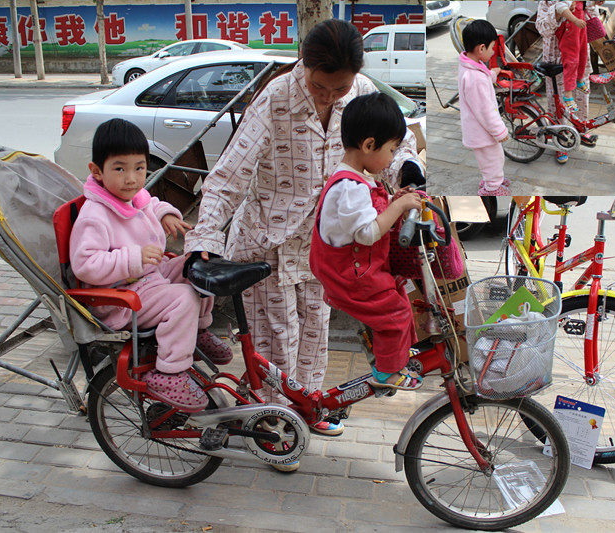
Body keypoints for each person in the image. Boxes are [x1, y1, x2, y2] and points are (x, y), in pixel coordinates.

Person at [184, 19, 423, 469]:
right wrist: (203, 239)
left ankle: (311, 409)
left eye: (339, 88)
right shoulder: (274, 99)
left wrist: (407, 174)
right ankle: (275, 430)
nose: (329, 97)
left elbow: (398, 147)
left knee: (314, 333)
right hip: (267, 243)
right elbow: (227, 179)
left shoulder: (360, 92)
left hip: (327, 248)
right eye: (320, 87)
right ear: (304, 64)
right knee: (278, 342)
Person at [69, 118, 232, 413]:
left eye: (139, 168)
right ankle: (169, 373)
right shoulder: (95, 214)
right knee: (183, 298)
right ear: (97, 171)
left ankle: (198, 331)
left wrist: (165, 213)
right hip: (122, 298)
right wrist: (133, 257)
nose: (131, 178)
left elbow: (149, 204)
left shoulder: (130, 196)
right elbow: (85, 264)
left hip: (149, 279)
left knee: (195, 264)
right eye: (119, 169)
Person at [310, 93, 424, 391]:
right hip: (351, 275)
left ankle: (393, 353)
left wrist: (395, 200)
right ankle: (387, 371)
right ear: (369, 145)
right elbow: (367, 233)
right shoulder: (349, 186)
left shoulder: (354, 178)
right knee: (395, 314)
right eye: (391, 149)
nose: (391, 158)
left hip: (358, 269)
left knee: (399, 297)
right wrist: (397, 208)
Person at [536, 1, 601, 164]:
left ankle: (579, 129)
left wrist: (591, 5)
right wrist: (559, 14)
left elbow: (594, 20)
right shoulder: (547, 1)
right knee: (557, 102)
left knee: (581, 98)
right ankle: (560, 141)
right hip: (555, 57)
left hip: (579, 54)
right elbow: (542, 28)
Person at [458, 19, 510, 196]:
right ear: (481, 48)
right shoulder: (475, 78)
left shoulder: (469, 66)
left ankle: (491, 180)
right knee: (494, 159)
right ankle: (492, 189)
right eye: (492, 48)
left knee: (488, 160)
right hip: (483, 131)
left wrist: (492, 74)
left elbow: (482, 78)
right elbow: (485, 111)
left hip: (477, 130)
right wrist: (500, 131)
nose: (493, 51)